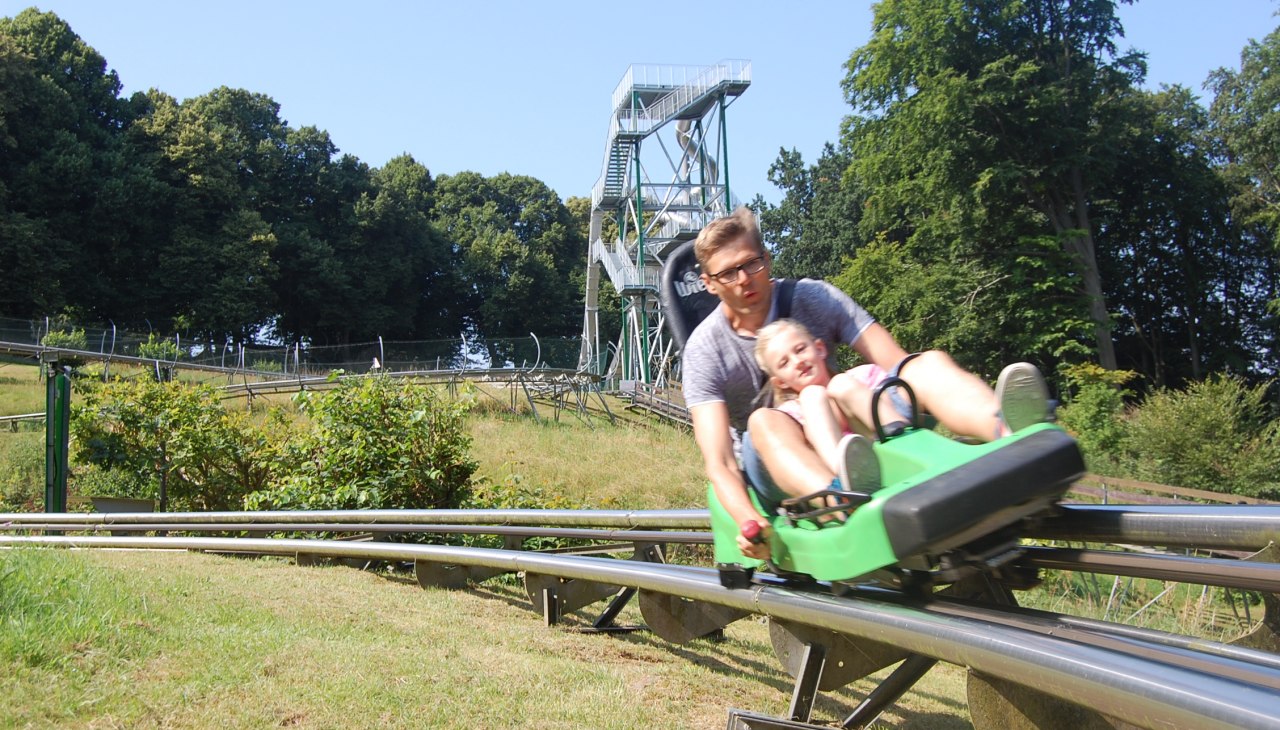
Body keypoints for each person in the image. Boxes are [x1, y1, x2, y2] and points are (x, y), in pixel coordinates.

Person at [681, 207, 1049, 560]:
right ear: (709, 283)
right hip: (782, 458)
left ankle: (1009, 430)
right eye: (728, 273)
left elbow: (896, 362)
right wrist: (749, 523)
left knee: (926, 362)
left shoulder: (811, 296)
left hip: (859, 428)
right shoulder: (705, 350)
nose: (744, 279)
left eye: (751, 263)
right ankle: (840, 499)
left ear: (767, 258)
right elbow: (721, 461)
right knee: (763, 421)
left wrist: (910, 381)